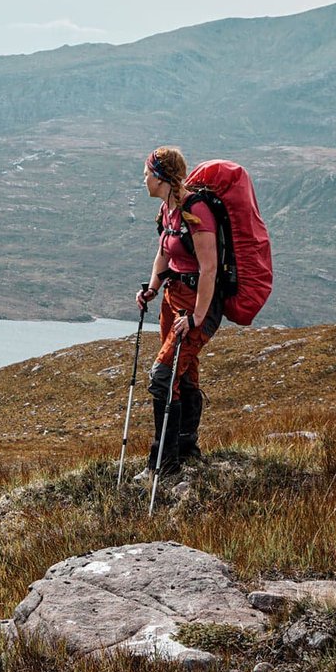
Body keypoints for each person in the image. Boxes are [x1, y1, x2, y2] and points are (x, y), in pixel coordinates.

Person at [134, 146, 221, 473]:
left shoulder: (196, 210)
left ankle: (163, 463)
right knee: (183, 375)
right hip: (173, 300)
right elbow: (164, 255)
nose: (143, 180)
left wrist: (196, 318)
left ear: (160, 177)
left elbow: (209, 269)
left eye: (146, 174)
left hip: (196, 305)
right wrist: (153, 288)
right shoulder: (167, 211)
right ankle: (186, 449)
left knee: (162, 376)